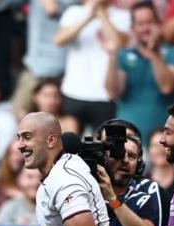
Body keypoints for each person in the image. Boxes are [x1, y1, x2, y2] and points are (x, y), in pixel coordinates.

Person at [105, 0, 174, 138]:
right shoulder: (123, 55)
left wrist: (154, 52)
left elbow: (167, 86)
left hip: (164, 140)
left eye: (150, 22)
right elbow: (113, 92)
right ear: (132, 28)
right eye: (140, 24)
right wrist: (113, 57)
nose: (146, 29)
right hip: (128, 139)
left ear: (159, 24)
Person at [55, 0, 131, 131]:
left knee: (102, 148)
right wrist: (88, 17)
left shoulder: (123, 15)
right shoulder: (73, 12)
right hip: (73, 91)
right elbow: (59, 40)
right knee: (69, 145)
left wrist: (101, 14)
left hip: (104, 95)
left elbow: (121, 42)